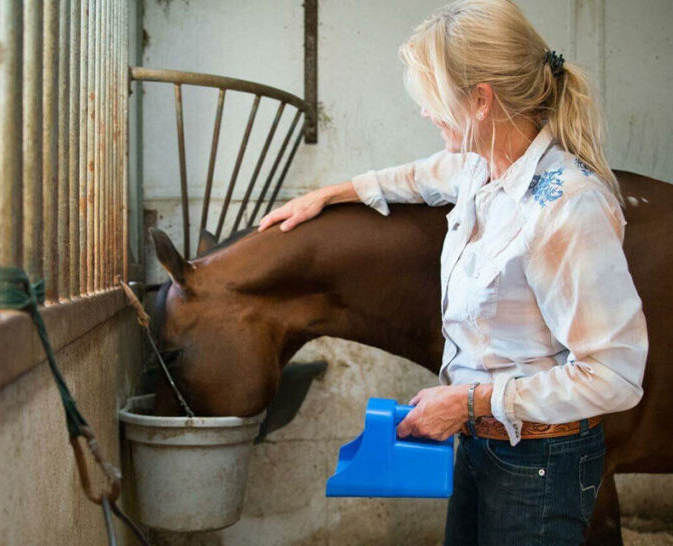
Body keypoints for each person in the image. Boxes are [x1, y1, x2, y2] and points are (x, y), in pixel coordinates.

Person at [258, 1, 648, 544]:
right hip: (478, 441)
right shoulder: (479, 166)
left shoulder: (567, 207)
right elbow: (418, 177)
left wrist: (467, 402)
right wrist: (328, 194)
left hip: (539, 460)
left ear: (482, 100)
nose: (424, 112)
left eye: (433, 99)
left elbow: (615, 375)